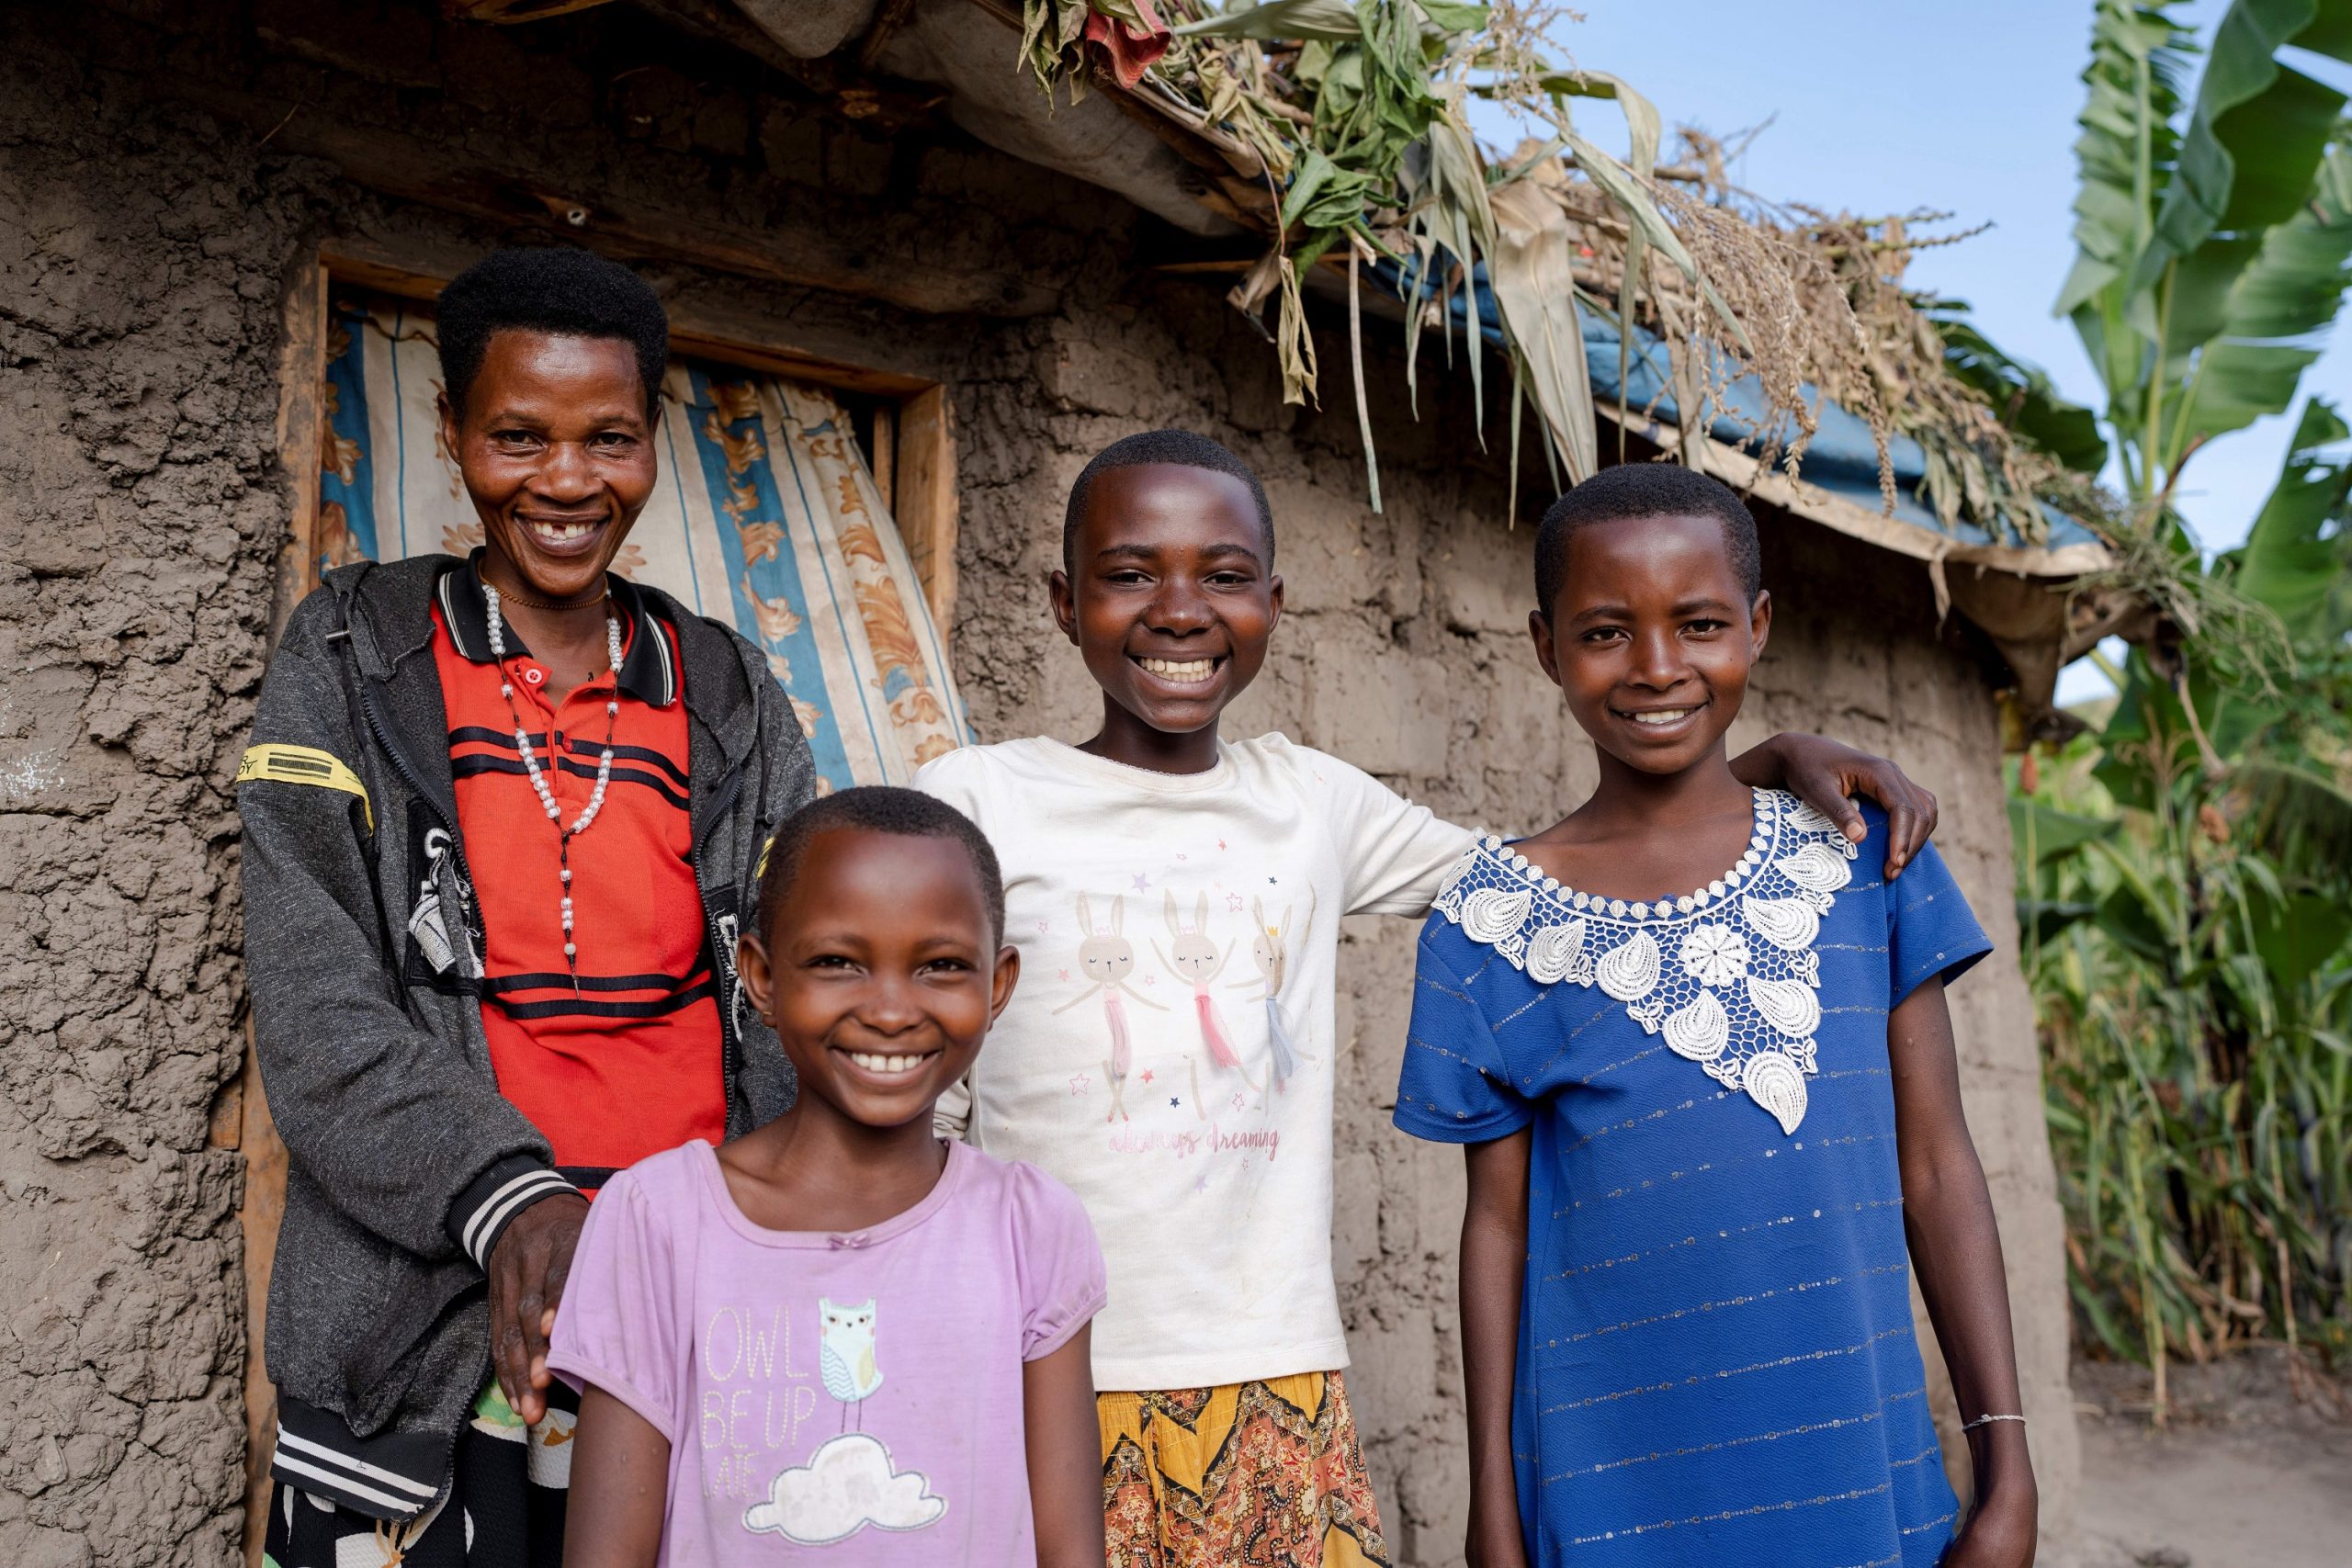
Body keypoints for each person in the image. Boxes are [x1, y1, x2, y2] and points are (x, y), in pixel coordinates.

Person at [910, 429, 1950, 1566]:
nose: (1177, 610)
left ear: (1274, 600)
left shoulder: (1309, 802)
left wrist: (1758, 758)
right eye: (1128, 574)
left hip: (1273, 1372)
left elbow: (1557, 876)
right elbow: (913, 1061)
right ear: (1062, 602)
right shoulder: (976, 799)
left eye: (1221, 575)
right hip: (1032, 1356)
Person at [238, 245, 814, 1567]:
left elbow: (808, 979)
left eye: (609, 437)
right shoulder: (352, 658)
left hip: (699, 1326)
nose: (565, 481)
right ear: (452, 435)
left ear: (653, 438)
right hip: (429, 1360)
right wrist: (516, 1201)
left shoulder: (724, 690)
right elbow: (319, 1006)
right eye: (518, 435)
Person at [1395, 465, 2038, 1566]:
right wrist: (1493, 1513)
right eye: (1605, 633)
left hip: (1859, 1479)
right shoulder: (1492, 931)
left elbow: (1936, 1167)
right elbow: (1493, 1232)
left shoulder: (1865, 859)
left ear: (1758, 624)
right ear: (1546, 648)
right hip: (1613, 1498)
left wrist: (2006, 1465)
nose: (1656, 668)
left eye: (1698, 625)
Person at [551, 786, 1107, 1566]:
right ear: (762, 977)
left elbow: (1069, 1550)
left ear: (998, 984)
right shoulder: (658, 1220)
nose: (889, 1010)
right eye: (838, 962)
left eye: (941, 965)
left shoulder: (1029, 1226)